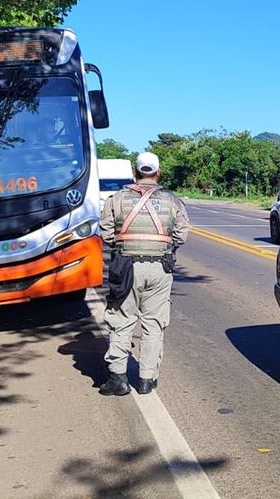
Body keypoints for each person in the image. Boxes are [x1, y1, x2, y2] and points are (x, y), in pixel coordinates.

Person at [97, 151, 190, 396]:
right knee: (153, 324)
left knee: (121, 319)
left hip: (125, 268)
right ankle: (147, 379)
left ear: (135, 173)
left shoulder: (116, 199)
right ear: (158, 173)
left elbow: (106, 234)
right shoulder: (172, 200)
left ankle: (118, 378)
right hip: (160, 268)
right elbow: (182, 234)